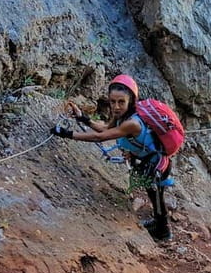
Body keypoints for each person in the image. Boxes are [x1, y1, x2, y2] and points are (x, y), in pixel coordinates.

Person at [50, 74, 172, 242]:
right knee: (153, 194)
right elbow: (104, 128)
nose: (116, 106)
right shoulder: (122, 115)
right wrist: (83, 118)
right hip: (147, 161)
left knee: (156, 196)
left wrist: (67, 134)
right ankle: (158, 225)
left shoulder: (132, 123)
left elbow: (101, 137)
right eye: (112, 101)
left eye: (121, 102)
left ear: (131, 100)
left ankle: (163, 231)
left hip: (156, 164)